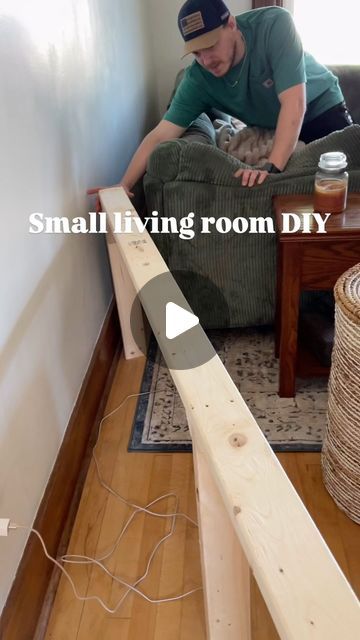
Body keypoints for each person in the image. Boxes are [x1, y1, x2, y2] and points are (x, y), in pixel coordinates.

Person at [90, 0, 353, 198]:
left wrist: (271, 167)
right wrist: (123, 185)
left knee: (345, 177)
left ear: (231, 24)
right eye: (196, 53)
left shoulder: (275, 24)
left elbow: (294, 104)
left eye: (211, 45)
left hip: (319, 105)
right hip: (275, 124)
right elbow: (160, 135)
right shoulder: (198, 79)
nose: (206, 60)